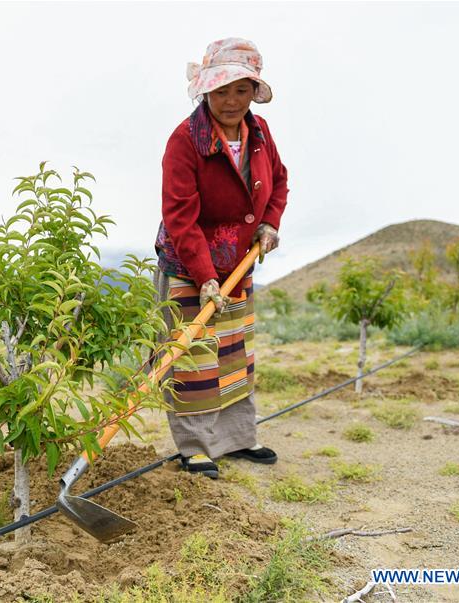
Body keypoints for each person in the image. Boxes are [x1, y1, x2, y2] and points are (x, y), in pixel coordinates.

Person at [154, 38, 288, 478]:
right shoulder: (184, 141)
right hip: (190, 266)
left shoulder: (260, 132)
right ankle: (194, 447)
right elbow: (179, 217)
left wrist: (270, 223)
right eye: (221, 91)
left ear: (253, 90)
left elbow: (280, 181)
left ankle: (237, 440)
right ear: (205, 92)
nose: (231, 101)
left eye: (241, 90)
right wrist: (204, 275)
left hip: (240, 264)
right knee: (194, 359)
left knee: (234, 356)